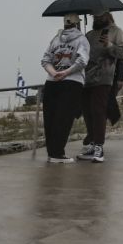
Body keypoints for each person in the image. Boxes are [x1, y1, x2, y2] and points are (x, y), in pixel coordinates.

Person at [40, 14, 90, 163]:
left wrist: (54, 73)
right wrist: (66, 72)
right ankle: (58, 153)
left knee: (50, 118)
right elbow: (82, 61)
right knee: (64, 118)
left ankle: (51, 152)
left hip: (51, 82)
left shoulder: (55, 39)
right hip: (72, 82)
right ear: (77, 23)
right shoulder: (82, 39)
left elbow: (45, 60)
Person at [78, 12, 123, 163]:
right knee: (88, 111)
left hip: (104, 76)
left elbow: (122, 53)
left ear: (107, 16)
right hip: (86, 77)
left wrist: (109, 45)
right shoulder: (90, 34)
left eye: (99, 16)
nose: (96, 19)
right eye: (94, 17)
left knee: (99, 111)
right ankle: (92, 143)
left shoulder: (116, 31)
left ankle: (99, 147)